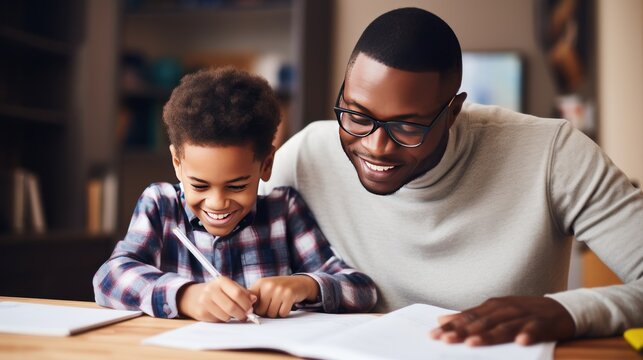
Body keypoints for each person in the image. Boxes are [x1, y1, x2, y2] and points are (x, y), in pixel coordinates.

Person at [262, 7, 643, 346]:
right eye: (358, 116)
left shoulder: (552, 154)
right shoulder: (308, 154)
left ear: (453, 111)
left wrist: (568, 312)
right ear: (342, 94)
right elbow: (210, 236)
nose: (376, 146)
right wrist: (199, 294)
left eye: (407, 127)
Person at [93, 67, 377, 323]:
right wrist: (185, 296)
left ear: (266, 165)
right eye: (200, 186)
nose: (217, 203)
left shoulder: (284, 211)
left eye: (237, 186)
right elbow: (108, 279)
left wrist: (305, 285)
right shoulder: (160, 204)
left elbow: (362, 290)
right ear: (177, 165)